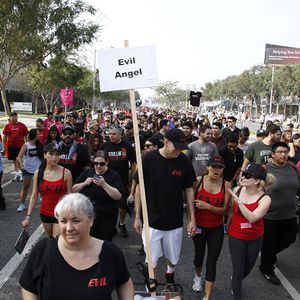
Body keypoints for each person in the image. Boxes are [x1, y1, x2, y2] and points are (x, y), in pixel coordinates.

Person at [19, 193, 134, 300]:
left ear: (91, 220)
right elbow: (28, 287)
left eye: (76, 221)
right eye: (63, 221)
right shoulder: (43, 249)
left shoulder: (111, 253)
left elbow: (124, 282)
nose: (69, 228)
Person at [134, 128, 197, 284]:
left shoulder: (183, 161)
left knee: (173, 258)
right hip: (151, 220)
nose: (179, 151)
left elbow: (189, 189)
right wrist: (137, 217)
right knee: (151, 260)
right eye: (176, 147)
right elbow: (138, 189)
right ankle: (152, 287)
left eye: (182, 148)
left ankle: (170, 273)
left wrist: (192, 218)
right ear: (166, 142)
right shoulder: (148, 159)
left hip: (174, 220)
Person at [227, 164, 274, 300]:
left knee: (247, 269)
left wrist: (239, 202)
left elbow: (252, 218)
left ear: (257, 181)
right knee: (238, 270)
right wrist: (227, 225)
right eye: (243, 174)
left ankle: (236, 279)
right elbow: (231, 211)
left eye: (247, 176)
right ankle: (237, 292)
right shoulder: (237, 189)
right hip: (236, 235)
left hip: (255, 237)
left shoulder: (265, 199)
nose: (243, 177)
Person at [259, 142, 300, 285]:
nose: (283, 154)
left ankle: (267, 254)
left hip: (290, 214)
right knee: (270, 244)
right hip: (270, 216)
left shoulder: (293, 168)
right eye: (280, 152)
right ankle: (266, 269)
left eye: (285, 152)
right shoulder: (265, 169)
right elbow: (257, 190)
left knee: (289, 239)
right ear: (273, 154)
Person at [192, 156, 230, 299]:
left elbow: (225, 210)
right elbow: (190, 204)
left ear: (223, 170)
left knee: (212, 261)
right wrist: (191, 221)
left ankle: (207, 297)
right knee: (199, 256)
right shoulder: (198, 181)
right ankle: (197, 276)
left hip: (216, 228)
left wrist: (208, 206)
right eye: (214, 166)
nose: (216, 169)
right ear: (208, 167)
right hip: (199, 226)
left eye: (220, 167)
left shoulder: (226, 185)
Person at [72, 150, 126, 241]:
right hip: (88, 215)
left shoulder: (114, 175)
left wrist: (104, 185)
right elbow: (73, 189)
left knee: (103, 243)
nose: (98, 166)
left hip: (106, 216)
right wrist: (84, 184)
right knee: (87, 242)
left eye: (102, 164)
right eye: (96, 163)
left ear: (107, 162)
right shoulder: (88, 172)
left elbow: (118, 196)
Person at [21, 143, 72, 236]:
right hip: (45, 213)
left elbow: (69, 196)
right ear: (45, 155)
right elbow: (34, 195)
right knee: (51, 239)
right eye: (51, 154)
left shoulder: (66, 173)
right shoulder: (38, 173)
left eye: (57, 154)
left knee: (56, 240)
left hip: (61, 214)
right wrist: (28, 216)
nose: (54, 157)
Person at [100, 125, 136, 238]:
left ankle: (121, 223)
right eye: (109, 134)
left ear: (120, 134)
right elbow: (99, 161)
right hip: (106, 181)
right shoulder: (104, 146)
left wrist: (134, 178)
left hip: (122, 180)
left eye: (114, 134)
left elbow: (133, 162)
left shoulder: (127, 146)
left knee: (122, 205)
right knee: (107, 205)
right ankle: (109, 225)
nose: (111, 136)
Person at [16, 129, 43, 212]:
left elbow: (43, 157)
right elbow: (19, 157)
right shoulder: (26, 145)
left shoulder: (39, 145)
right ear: (34, 135)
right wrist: (21, 165)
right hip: (27, 169)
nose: (40, 135)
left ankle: (44, 203)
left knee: (40, 187)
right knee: (25, 187)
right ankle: (22, 204)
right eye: (38, 134)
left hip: (38, 170)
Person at [2, 112, 28, 181]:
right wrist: (4, 146)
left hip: (20, 146)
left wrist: (27, 145)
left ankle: (22, 174)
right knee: (14, 160)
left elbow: (26, 136)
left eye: (15, 116)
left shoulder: (22, 126)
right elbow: (5, 136)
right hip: (11, 146)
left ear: (17, 117)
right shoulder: (8, 126)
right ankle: (17, 174)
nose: (13, 118)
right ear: (10, 118)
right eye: (12, 116)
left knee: (19, 159)